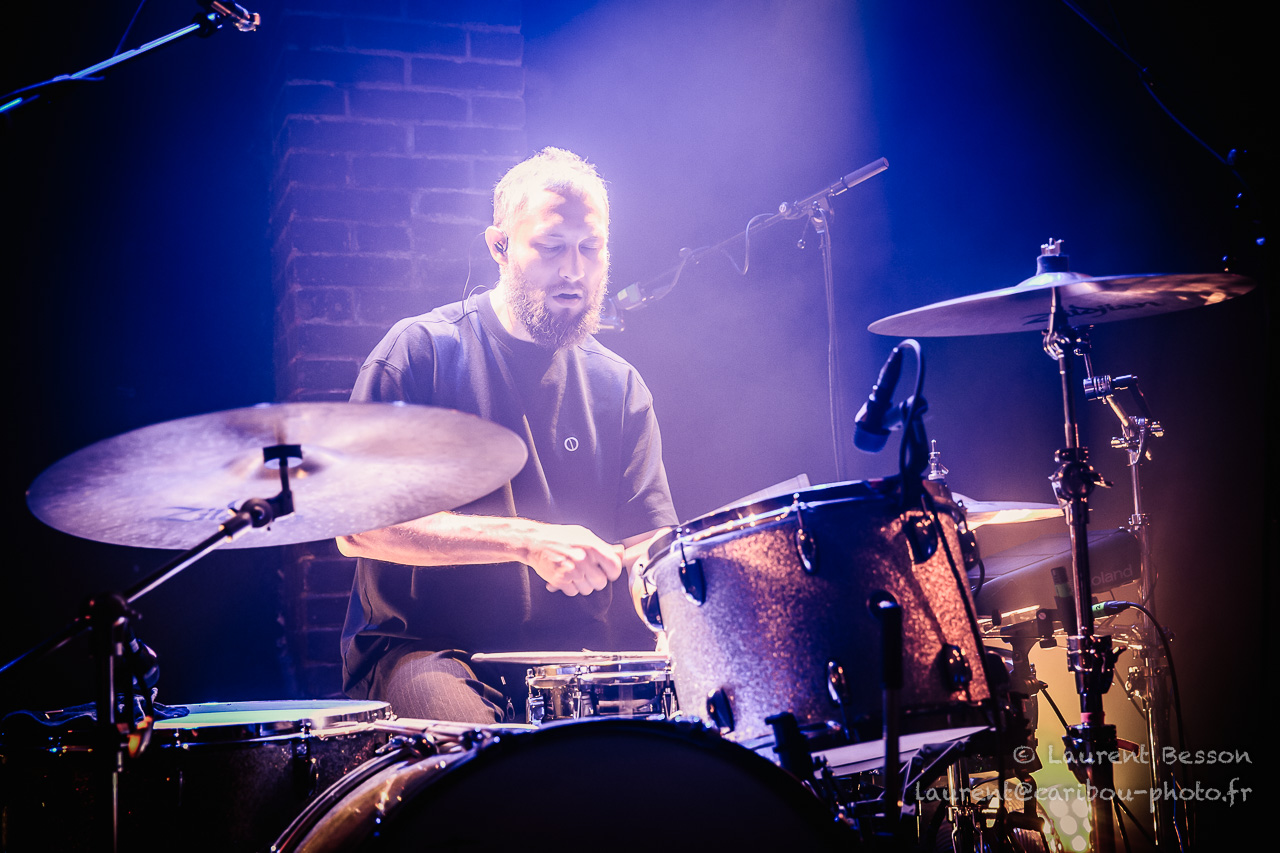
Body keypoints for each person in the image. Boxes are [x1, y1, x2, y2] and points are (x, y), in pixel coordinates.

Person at [337, 148, 677, 724]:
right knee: (490, 761)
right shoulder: (419, 352)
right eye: (552, 247)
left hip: (574, 663)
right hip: (426, 651)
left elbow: (651, 544)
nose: (573, 270)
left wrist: (672, 616)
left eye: (590, 248)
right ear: (499, 246)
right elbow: (359, 526)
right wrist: (527, 542)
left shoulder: (619, 386)